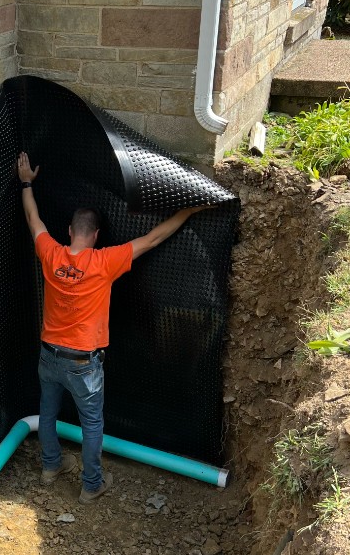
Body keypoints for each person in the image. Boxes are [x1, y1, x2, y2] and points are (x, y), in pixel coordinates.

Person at [17, 151, 211, 504]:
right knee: (91, 425)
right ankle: (91, 485)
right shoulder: (104, 261)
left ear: (71, 231)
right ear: (96, 236)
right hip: (82, 363)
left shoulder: (51, 253)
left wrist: (27, 181)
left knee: (47, 413)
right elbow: (152, 239)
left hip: (48, 355)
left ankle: (50, 467)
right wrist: (187, 210)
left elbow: (33, 219)